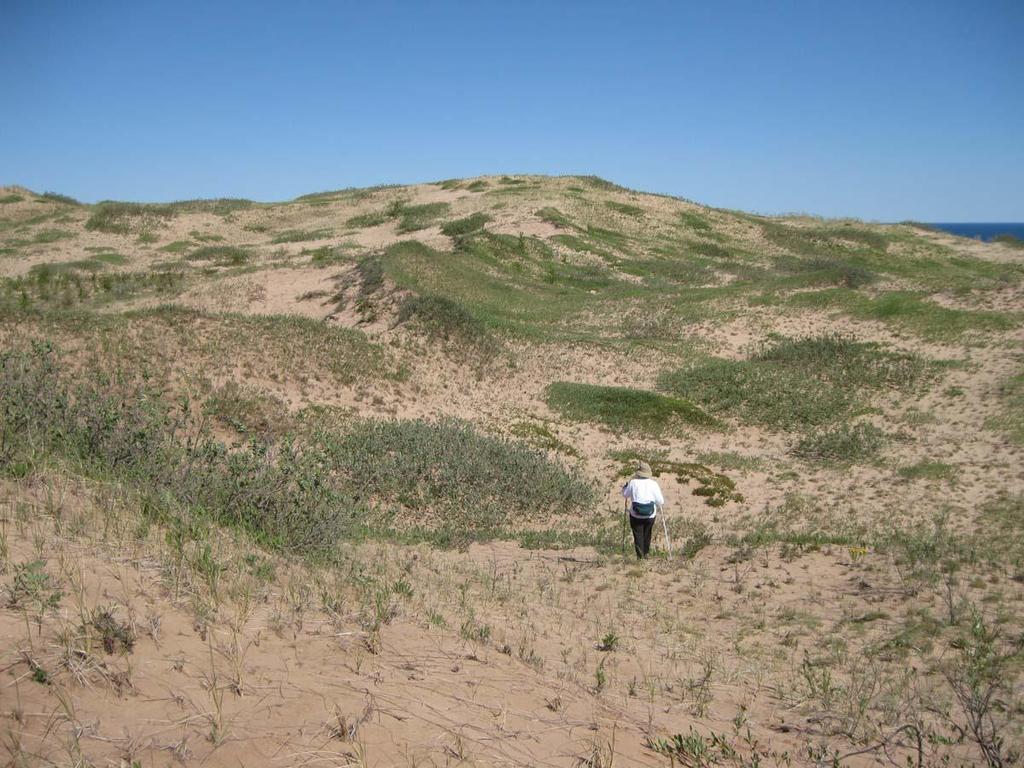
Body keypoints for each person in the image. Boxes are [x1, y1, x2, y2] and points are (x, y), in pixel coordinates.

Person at [621, 461, 664, 559]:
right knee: (647, 533)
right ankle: (646, 553)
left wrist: (625, 487)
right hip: (650, 515)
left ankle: (640, 557)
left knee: (638, 535)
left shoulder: (633, 482)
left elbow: (625, 495)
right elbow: (661, 501)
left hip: (636, 514)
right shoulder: (653, 484)